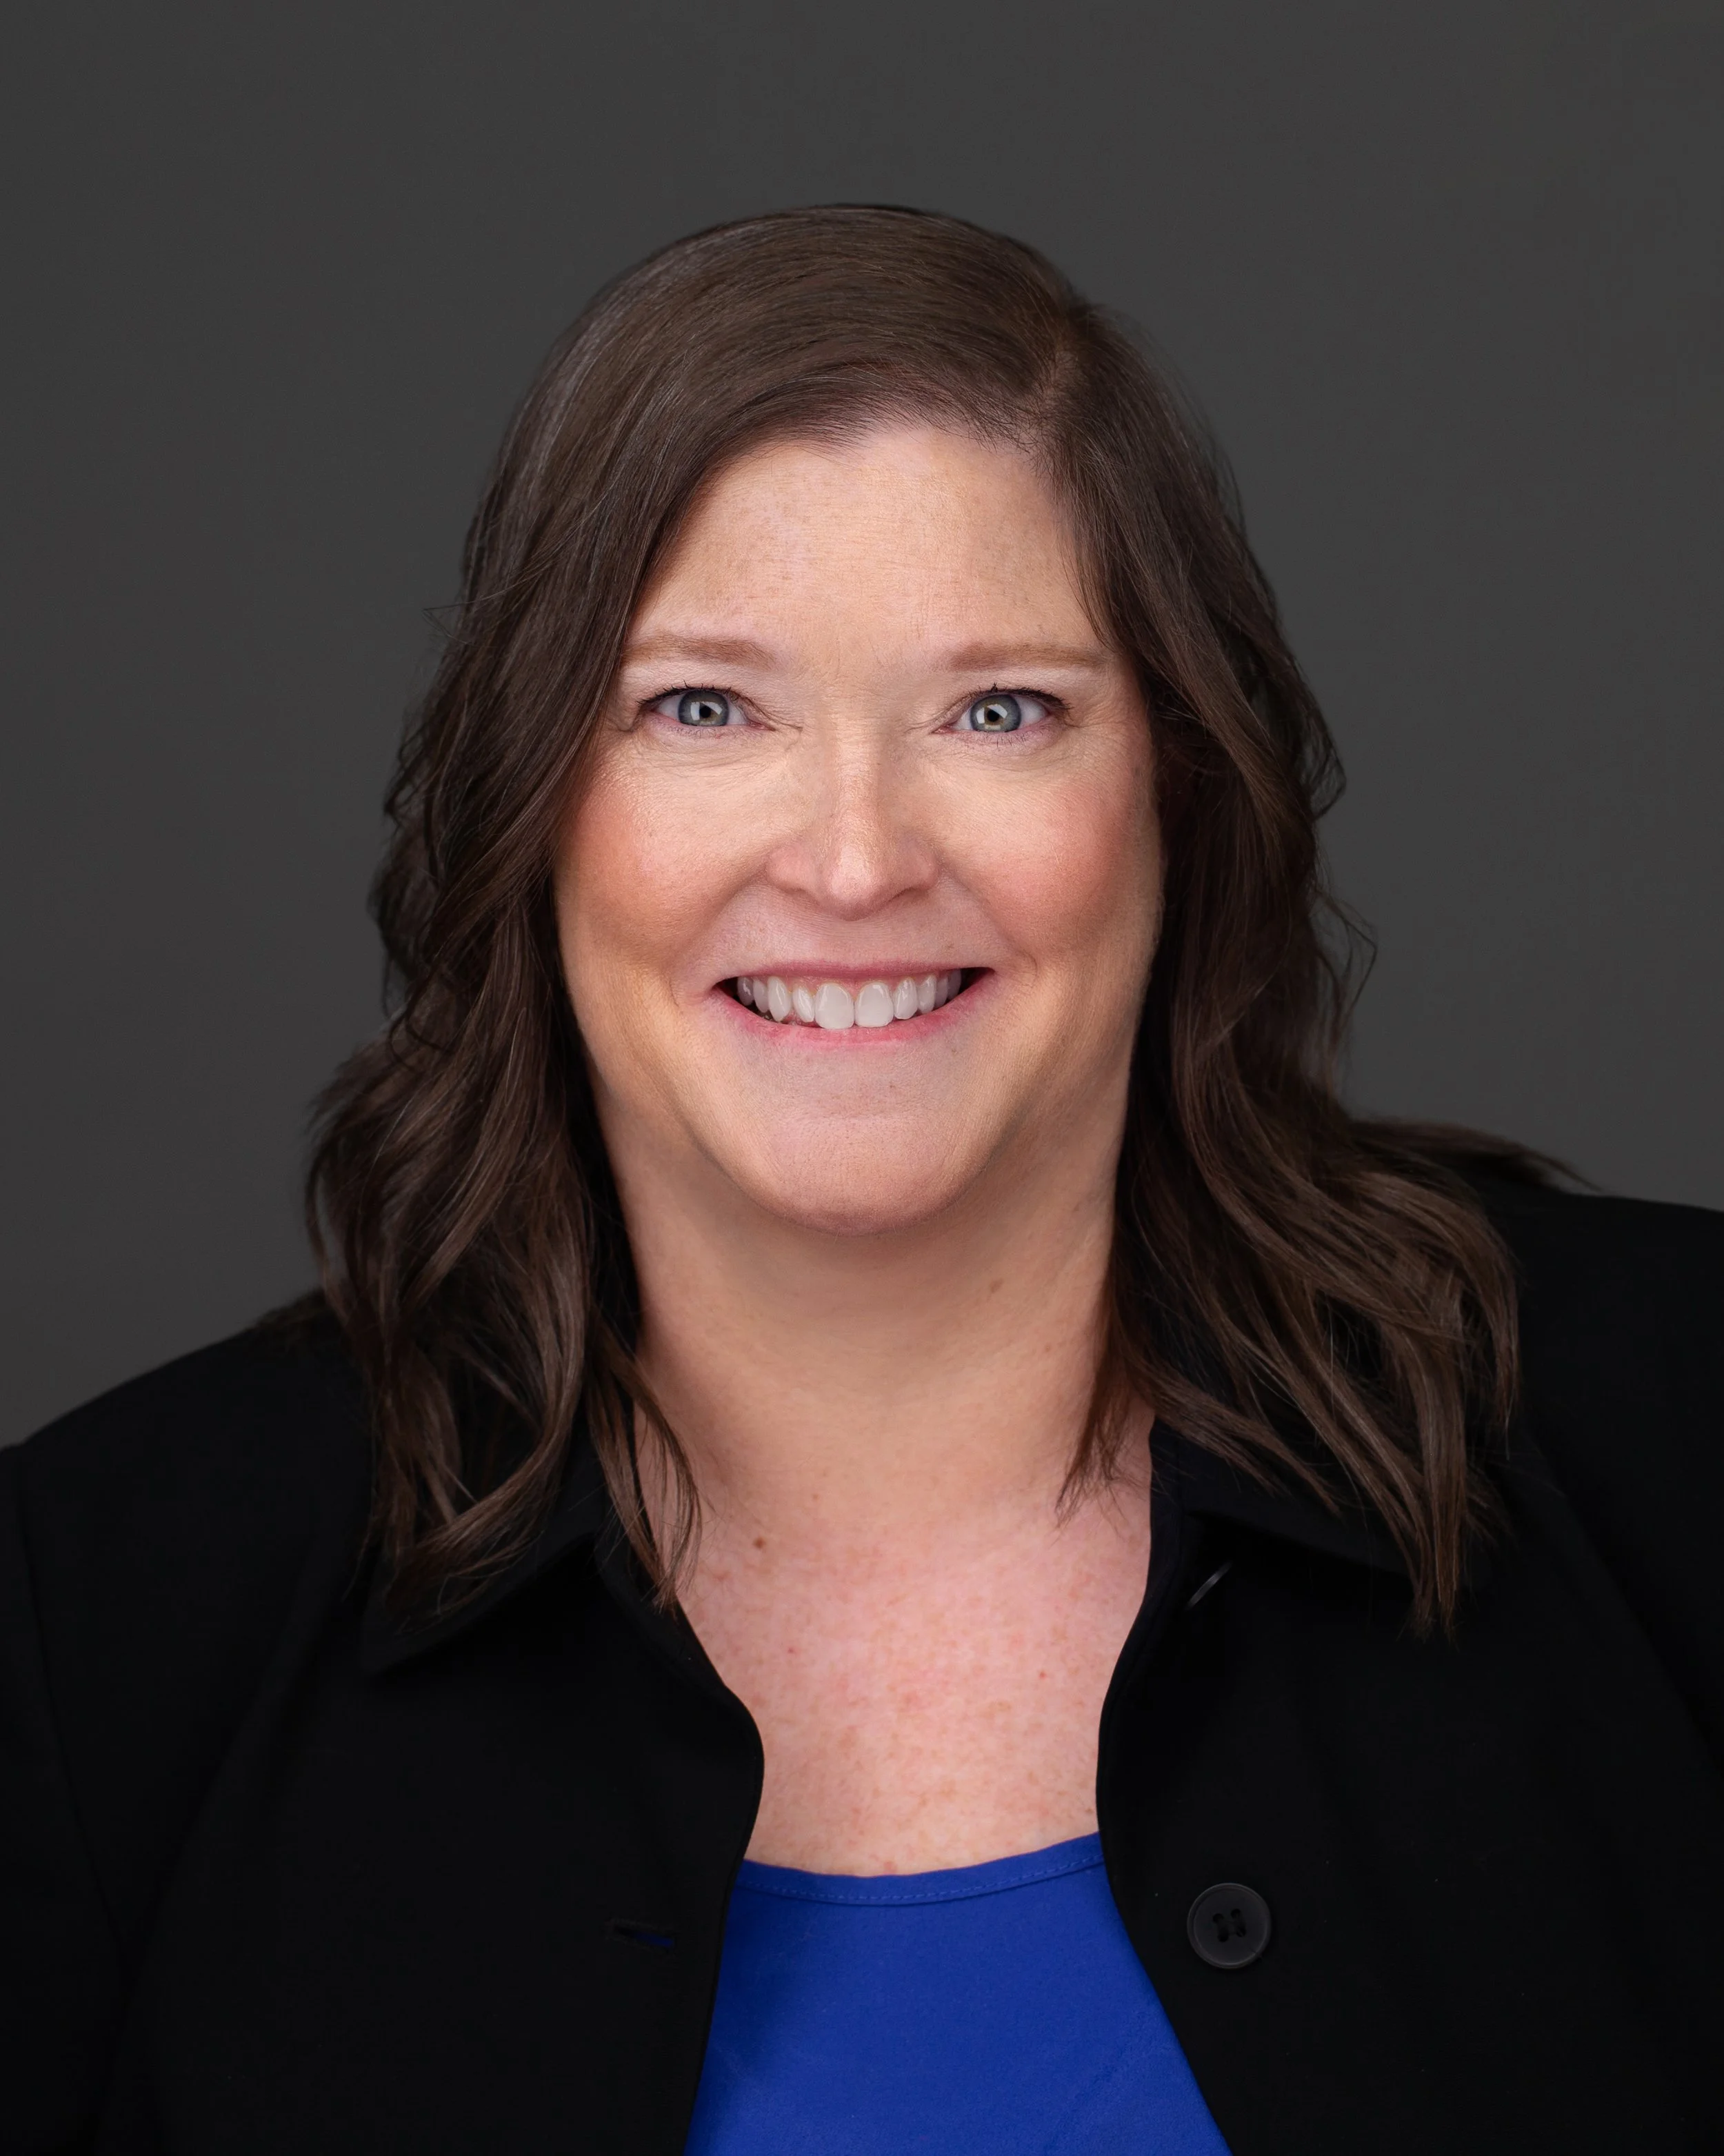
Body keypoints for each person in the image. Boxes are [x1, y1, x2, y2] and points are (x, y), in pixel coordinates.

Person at [3, 206, 1720, 2156]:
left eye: (999, 708)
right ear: (537, 805)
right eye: (702, 706)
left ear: (1177, 785)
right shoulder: (99, 1626)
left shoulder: (1667, 1437)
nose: (848, 858)